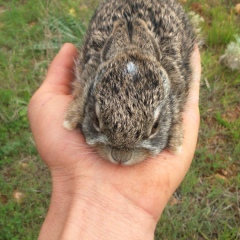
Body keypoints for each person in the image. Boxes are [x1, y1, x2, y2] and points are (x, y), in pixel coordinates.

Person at [28, 43, 201, 240]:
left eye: (153, 128)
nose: (121, 156)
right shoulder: (93, 81)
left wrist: (176, 122)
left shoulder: (171, 94)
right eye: (99, 122)